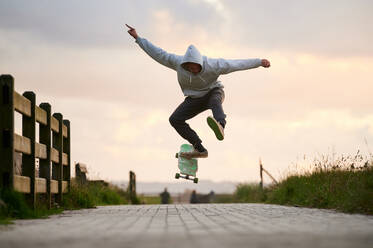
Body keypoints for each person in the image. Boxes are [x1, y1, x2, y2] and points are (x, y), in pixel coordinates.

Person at [125, 24, 270, 158]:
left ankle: (221, 125)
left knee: (214, 100)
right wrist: (138, 38)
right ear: (185, 64)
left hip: (213, 91)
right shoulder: (177, 62)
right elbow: (158, 54)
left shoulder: (214, 65)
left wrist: (259, 62)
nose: (193, 70)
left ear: (200, 63)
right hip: (194, 99)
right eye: (190, 68)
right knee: (175, 119)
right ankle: (199, 148)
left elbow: (236, 64)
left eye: (196, 67)